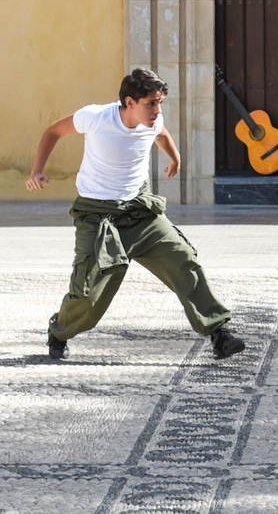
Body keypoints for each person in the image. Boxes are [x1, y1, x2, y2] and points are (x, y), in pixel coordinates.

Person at [26, 68, 245, 361]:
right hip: (98, 217)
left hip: (140, 213)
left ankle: (219, 332)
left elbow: (161, 134)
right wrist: (37, 171)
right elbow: (53, 131)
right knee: (88, 298)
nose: (157, 110)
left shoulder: (153, 121)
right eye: (151, 103)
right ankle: (60, 330)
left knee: (183, 260)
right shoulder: (96, 117)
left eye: (160, 103)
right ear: (130, 102)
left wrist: (175, 156)